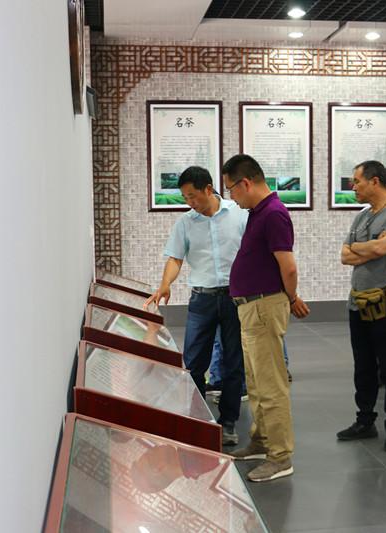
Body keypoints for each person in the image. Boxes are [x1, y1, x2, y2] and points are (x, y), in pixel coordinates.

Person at [143, 165, 246, 447]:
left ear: (208, 189)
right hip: (202, 299)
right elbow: (175, 258)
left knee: (234, 363)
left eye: (193, 196)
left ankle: (228, 422)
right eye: (185, 197)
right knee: (193, 363)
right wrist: (165, 284)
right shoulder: (186, 223)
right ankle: (198, 420)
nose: (190, 202)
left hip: (235, 298)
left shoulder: (238, 214)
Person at [221, 154, 310, 482]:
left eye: (231, 189)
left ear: (245, 183)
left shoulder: (273, 214)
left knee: (271, 384)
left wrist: (292, 298)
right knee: (256, 383)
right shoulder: (258, 212)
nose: (232, 197)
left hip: (263, 306)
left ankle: (280, 455)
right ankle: (261, 441)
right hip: (251, 307)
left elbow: (288, 267)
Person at [336, 160, 386, 452]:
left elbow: (382, 247)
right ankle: (365, 421)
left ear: (375, 182)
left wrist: (364, 247)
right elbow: (344, 256)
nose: (353, 187)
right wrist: (368, 247)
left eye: (357, 181)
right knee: (363, 365)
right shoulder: (362, 216)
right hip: (359, 302)